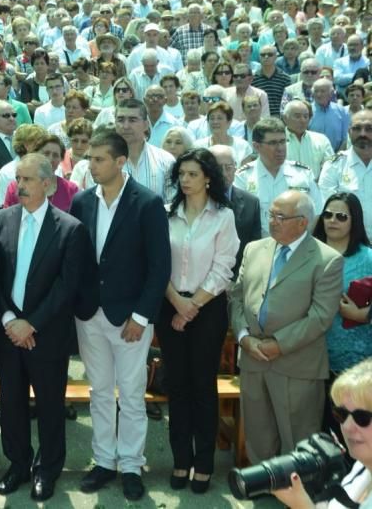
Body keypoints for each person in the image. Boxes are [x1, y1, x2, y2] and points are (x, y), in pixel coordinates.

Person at [69, 129, 171, 501]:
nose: (91, 165)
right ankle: (103, 461)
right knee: (98, 392)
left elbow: (159, 266)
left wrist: (141, 317)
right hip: (89, 314)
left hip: (131, 318)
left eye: (98, 159)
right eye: (90, 159)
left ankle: (131, 464)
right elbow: (77, 259)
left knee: (130, 393)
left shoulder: (147, 203)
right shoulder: (82, 201)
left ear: (120, 161)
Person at [0, 153, 94, 502]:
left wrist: (30, 323)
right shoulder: (0, 221)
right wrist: (9, 320)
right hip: (8, 332)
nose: (20, 186)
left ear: (49, 184)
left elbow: (66, 287)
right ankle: (18, 464)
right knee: (12, 402)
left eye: (29, 179)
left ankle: (47, 469)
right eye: (17, 179)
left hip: (45, 335)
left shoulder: (70, 228)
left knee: (50, 405)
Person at [229, 190, 344, 462]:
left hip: (296, 364)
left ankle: (296, 497)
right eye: (271, 214)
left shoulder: (326, 260)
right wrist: (244, 337)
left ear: (303, 222)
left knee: (297, 437)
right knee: (258, 431)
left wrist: (278, 344)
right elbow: (236, 296)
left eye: (281, 216)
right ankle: (263, 485)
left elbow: (320, 316)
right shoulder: (254, 249)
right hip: (253, 357)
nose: (272, 221)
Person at [157, 148, 239, 494]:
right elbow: (156, 262)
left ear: (208, 177)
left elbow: (224, 267)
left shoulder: (223, 216)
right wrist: (177, 302)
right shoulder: (165, 213)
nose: (185, 181)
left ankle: (203, 463)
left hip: (208, 309)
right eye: (181, 174)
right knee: (177, 386)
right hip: (170, 304)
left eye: (192, 174)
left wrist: (193, 306)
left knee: (203, 385)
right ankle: (181, 459)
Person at [271, 357, 372, 509]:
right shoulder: (363, 466)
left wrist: (303, 506)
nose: (347, 426)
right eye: (341, 414)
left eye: (362, 417)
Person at [313, 193, 372, 436]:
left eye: (341, 216)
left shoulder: (367, 257)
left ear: (354, 221)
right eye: (327, 214)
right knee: (317, 431)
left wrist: (364, 315)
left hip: (355, 359)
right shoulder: (307, 252)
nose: (332, 221)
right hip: (310, 356)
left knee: (352, 429)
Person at [236, 117, 323, 236]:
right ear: (256, 146)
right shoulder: (243, 177)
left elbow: (316, 212)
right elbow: (240, 220)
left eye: (283, 141)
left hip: (298, 246)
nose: (280, 148)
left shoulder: (302, 174)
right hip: (259, 247)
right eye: (273, 143)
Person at [210, 144, 263, 276]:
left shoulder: (251, 202)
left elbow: (253, 249)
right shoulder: (196, 200)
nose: (223, 174)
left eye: (228, 167)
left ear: (235, 167)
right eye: (217, 168)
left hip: (237, 280)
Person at [319, 109, 372, 239]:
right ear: (349, 132)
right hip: (348, 243)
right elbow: (329, 210)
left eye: (369, 128)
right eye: (357, 128)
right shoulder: (334, 165)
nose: (363, 134)